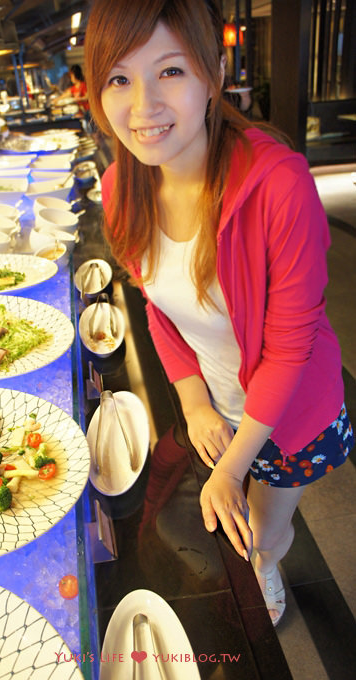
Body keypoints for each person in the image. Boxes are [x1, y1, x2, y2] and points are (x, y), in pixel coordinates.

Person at [84, 0, 354, 627]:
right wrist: (195, 401)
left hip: (292, 413)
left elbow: (292, 347)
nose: (143, 105)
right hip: (218, 409)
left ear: (212, 73)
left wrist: (232, 468)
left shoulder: (278, 184)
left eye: (170, 71)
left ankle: (268, 565)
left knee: (262, 527)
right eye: (119, 78)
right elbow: (157, 308)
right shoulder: (123, 186)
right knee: (228, 520)